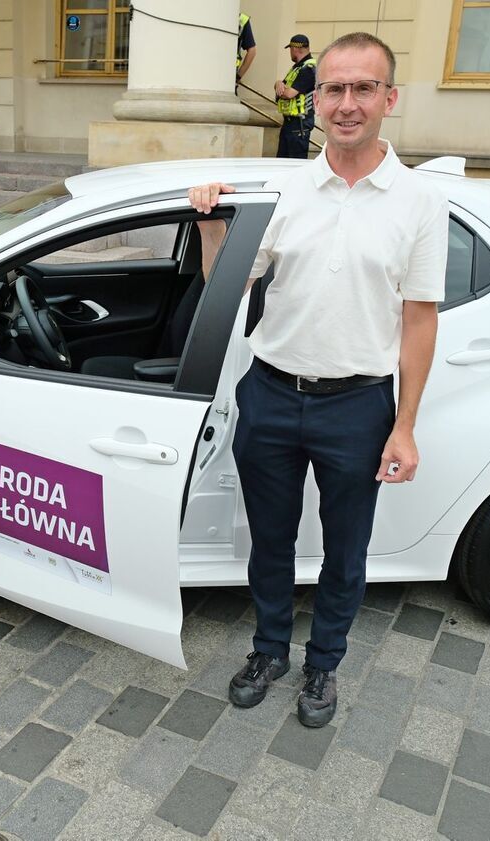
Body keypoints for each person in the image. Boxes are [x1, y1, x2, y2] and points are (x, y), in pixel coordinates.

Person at [189, 32, 448, 728]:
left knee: (345, 548)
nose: (346, 102)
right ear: (316, 98)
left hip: (358, 406)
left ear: (388, 99)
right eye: (333, 88)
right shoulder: (286, 188)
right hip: (270, 393)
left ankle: (324, 662)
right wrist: (214, 224)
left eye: (364, 87)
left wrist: (405, 423)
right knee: (267, 539)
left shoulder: (419, 201)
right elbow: (229, 288)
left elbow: (420, 321)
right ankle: (270, 648)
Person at [275, 35, 317, 159]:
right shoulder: (297, 68)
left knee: (294, 166)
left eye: (290, 49)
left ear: (294, 48)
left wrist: (280, 87)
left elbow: (288, 94)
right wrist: (277, 83)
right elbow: (281, 87)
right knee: (281, 164)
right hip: (290, 123)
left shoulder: (309, 69)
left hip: (299, 125)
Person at [236, 12, 256, 87]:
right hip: (230, 76)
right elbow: (252, 51)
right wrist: (238, 76)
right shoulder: (241, 18)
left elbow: (252, 51)